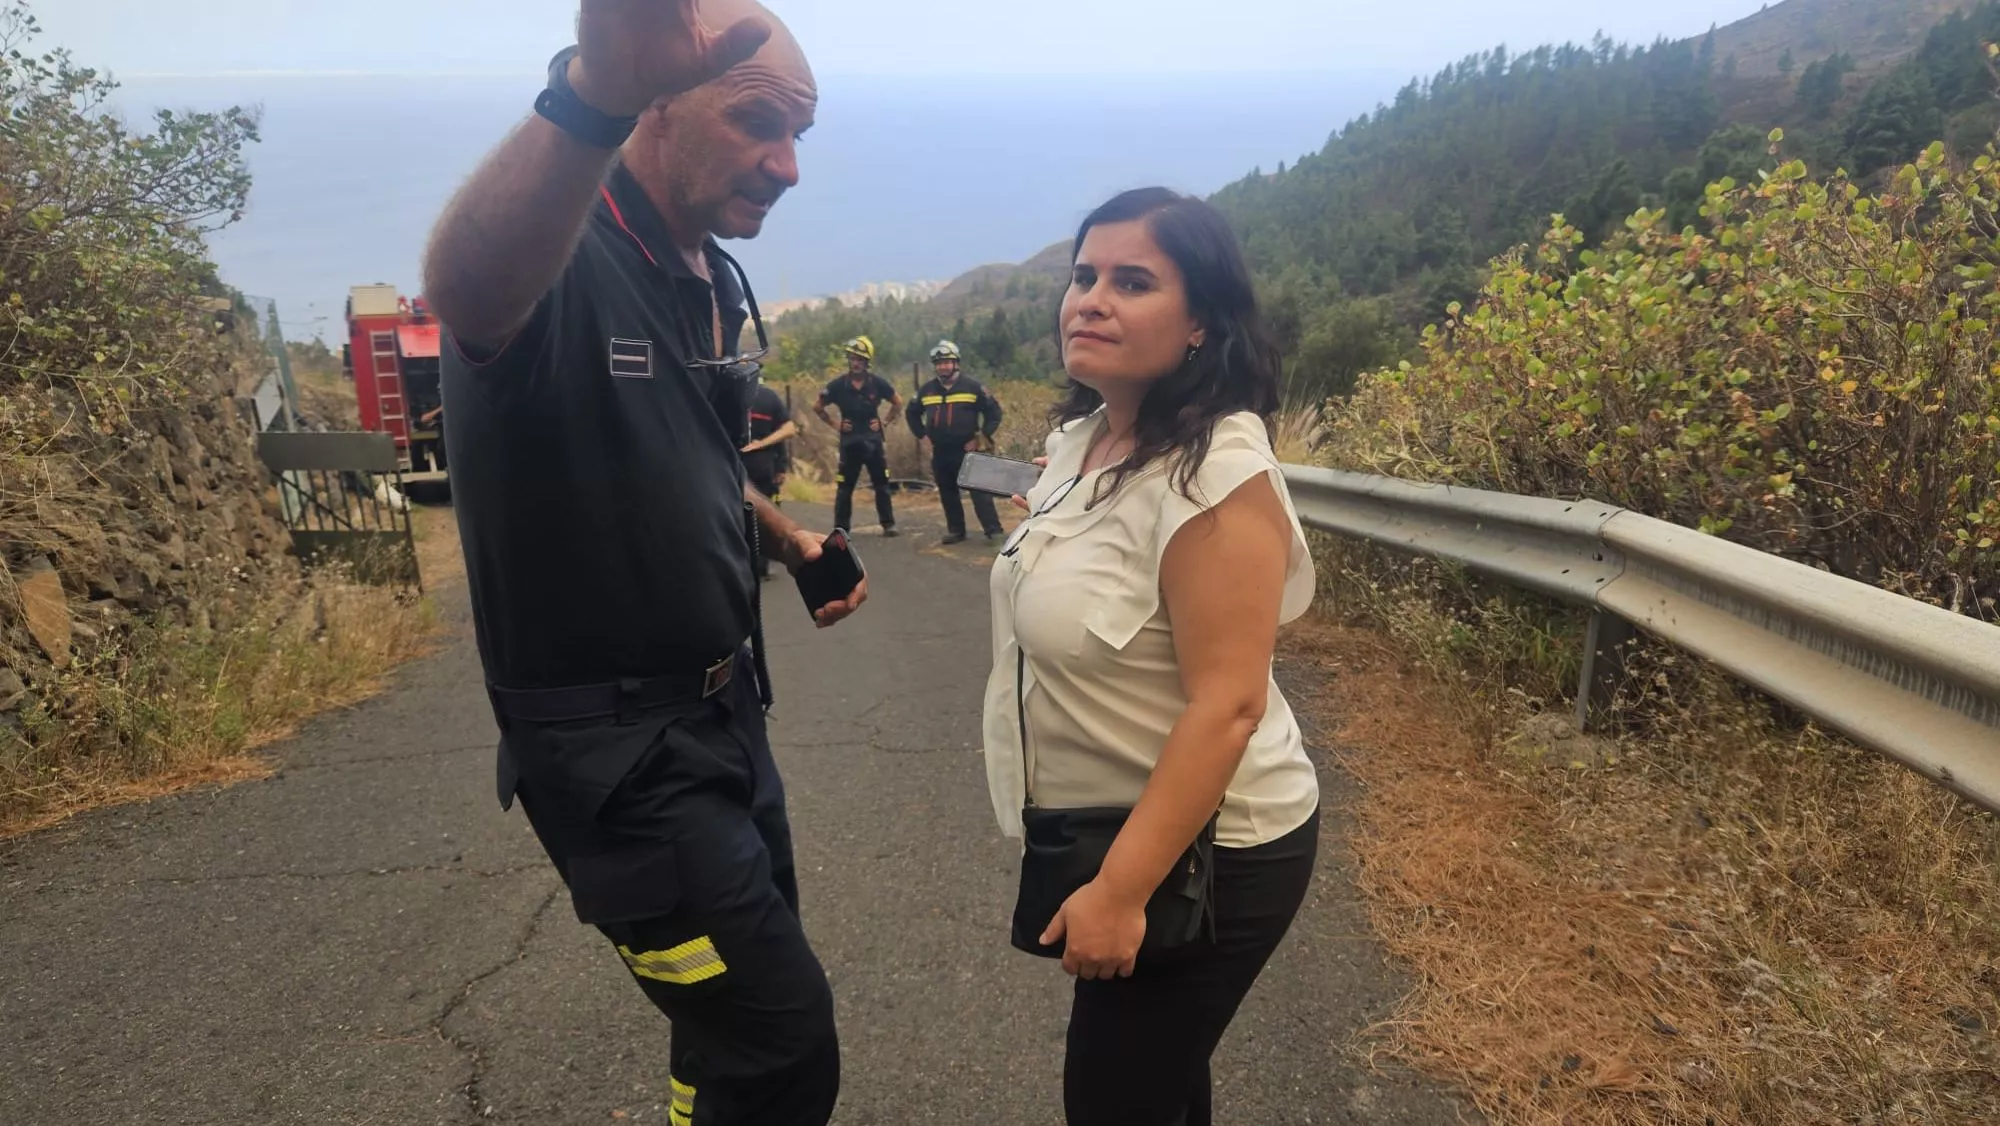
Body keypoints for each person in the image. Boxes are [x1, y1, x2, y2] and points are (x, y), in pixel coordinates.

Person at [419, 4, 859, 1123]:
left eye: (799, 134)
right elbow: (464, 294)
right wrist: (588, 95)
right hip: (619, 763)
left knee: (722, 1027)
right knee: (777, 1042)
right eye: (758, 123)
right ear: (653, 107)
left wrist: (785, 536)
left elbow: (691, 448)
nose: (790, 165)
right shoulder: (560, 252)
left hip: (723, 723)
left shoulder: (696, 268)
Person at [982, 188, 1321, 1125]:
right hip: (1118, 821)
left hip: (1215, 850)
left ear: (1201, 325)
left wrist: (1122, 895)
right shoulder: (1083, 446)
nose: (1091, 299)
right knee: (1159, 1085)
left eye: (1133, 282)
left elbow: (1230, 707)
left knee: (1115, 1096)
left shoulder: (1214, 474)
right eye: (1084, 276)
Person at [906, 339, 1005, 544]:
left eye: (947, 362)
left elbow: (994, 413)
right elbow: (911, 413)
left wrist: (981, 437)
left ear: (956, 363)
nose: (943, 366)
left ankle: (993, 531)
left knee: (980, 492)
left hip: (968, 450)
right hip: (941, 451)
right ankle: (956, 531)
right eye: (939, 363)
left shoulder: (974, 387)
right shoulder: (926, 390)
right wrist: (922, 436)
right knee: (948, 492)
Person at [813, 336, 901, 536]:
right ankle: (841, 528)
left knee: (881, 485)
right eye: (852, 359)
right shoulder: (837, 385)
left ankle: (888, 524)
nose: (856, 363)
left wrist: (884, 422)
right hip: (849, 443)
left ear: (867, 362)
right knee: (845, 488)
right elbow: (817, 406)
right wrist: (835, 424)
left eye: (860, 359)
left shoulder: (877, 383)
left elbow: (898, 402)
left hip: (873, 441)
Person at [741, 378, 797, 579]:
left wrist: (761, 445)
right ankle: (759, 564)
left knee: (749, 512)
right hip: (756, 463)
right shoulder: (768, 396)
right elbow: (784, 432)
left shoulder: (766, 397)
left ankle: (756, 564)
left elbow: (786, 431)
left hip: (751, 463)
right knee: (761, 513)